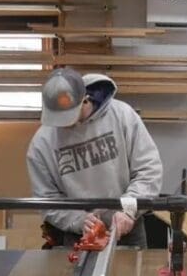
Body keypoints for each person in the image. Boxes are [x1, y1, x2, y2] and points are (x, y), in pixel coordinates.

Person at [27, 67, 163, 248]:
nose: (62, 125)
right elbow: (47, 199)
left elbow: (148, 170)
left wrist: (128, 210)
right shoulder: (42, 144)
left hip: (127, 228)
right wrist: (78, 220)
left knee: (132, 275)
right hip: (79, 235)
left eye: (67, 118)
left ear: (84, 100)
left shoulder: (122, 116)